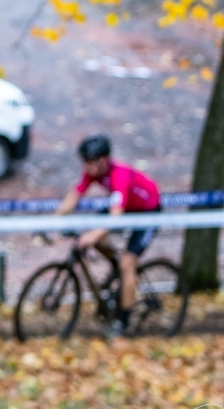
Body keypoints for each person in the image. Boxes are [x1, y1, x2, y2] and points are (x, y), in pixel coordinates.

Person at [53, 134, 161, 335]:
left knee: (127, 264)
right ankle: (115, 264)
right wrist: (54, 218)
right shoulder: (93, 172)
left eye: (89, 162)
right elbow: (75, 195)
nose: (86, 167)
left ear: (103, 160)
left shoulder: (119, 175)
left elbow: (115, 216)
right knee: (97, 234)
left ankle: (123, 320)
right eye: (84, 162)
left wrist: (91, 236)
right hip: (128, 207)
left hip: (147, 212)